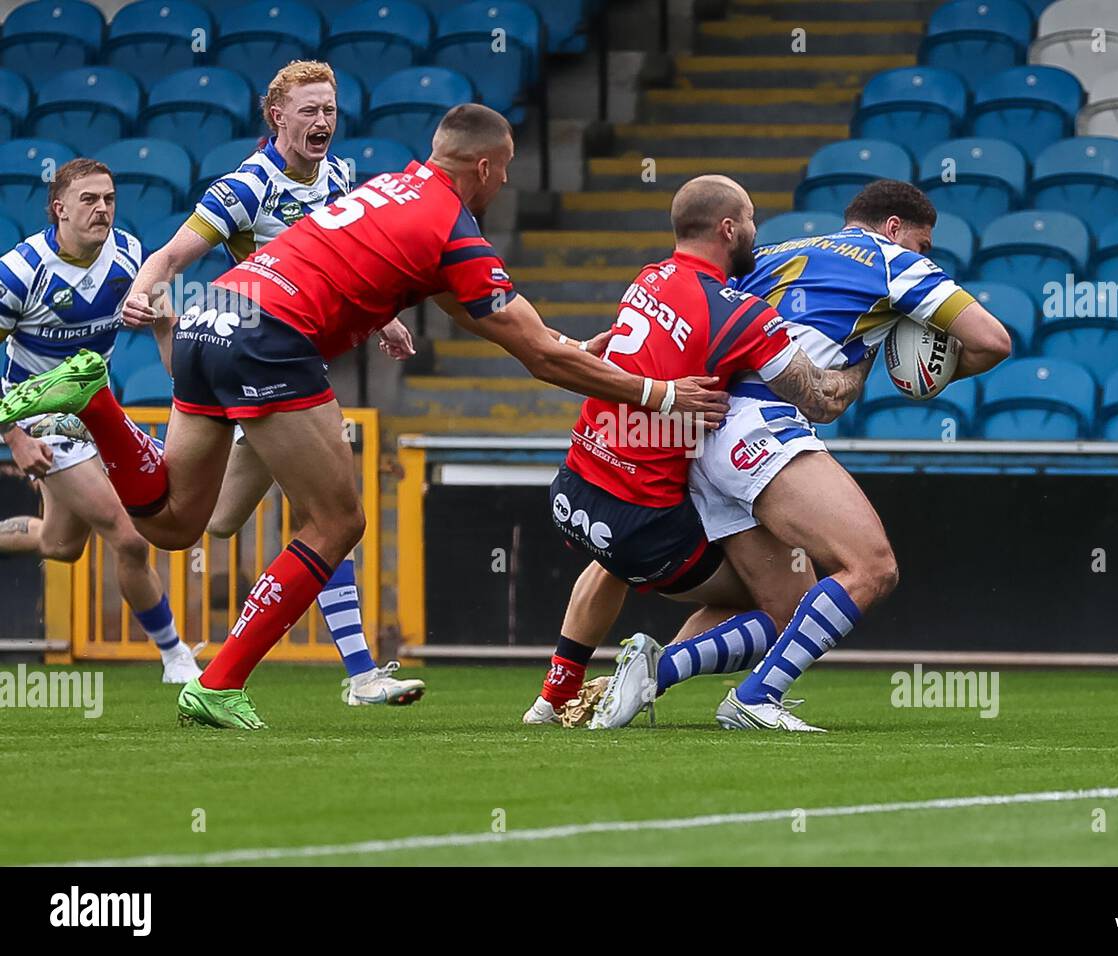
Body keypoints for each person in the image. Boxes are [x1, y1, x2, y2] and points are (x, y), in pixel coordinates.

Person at [0, 104, 728, 730]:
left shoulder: (395, 186)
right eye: (502, 170)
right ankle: (219, 682)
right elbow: (535, 356)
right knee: (338, 521)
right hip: (269, 339)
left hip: (211, 314)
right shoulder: (453, 228)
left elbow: (500, 324)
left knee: (173, 524)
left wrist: (569, 345)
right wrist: (658, 395)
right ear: (481, 166)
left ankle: (95, 399)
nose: (504, 182)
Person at [584, 179, 1011, 731]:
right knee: (872, 567)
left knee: (788, 610)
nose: (924, 258)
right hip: (759, 425)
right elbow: (993, 341)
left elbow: (701, 310)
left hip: (703, 430)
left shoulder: (777, 251)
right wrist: (931, 378)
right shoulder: (892, 263)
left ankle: (652, 672)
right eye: (923, 247)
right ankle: (756, 699)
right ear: (894, 228)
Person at [522, 175, 873, 730]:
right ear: (729, 228)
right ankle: (652, 669)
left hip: (576, 489)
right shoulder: (740, 312)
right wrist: (864, 358)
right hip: (646, 519)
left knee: (610, 564)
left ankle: (554, 696)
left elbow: (619, 346)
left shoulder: (648, 279)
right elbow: (821, 400)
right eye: (752, 218)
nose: (757, 231)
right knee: (789, 606)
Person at [123, 60, 421, 707]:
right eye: (309, 110)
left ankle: (114, 453)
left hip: (272, 366)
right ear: (275, 115)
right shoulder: (246, 188)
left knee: (220, 523)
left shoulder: (340, 177)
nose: (322, 122)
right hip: (264, 357)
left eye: (330, 110)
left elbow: (350, 264)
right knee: (334, 514)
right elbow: (174, 254)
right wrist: (144, 292)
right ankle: (358, 673)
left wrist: (387, 319)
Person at [0, 159, 201, 683]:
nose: (103, 208)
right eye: (89, 199)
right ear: (59, 208)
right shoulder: (21, 270)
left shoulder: (133, 256)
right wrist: (15, 437)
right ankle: (175, 655)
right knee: (128, 537)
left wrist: (168, 345)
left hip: (95, 411)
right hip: (38, 415)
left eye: (109, 198)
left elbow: (166, 333)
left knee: (59, 546)